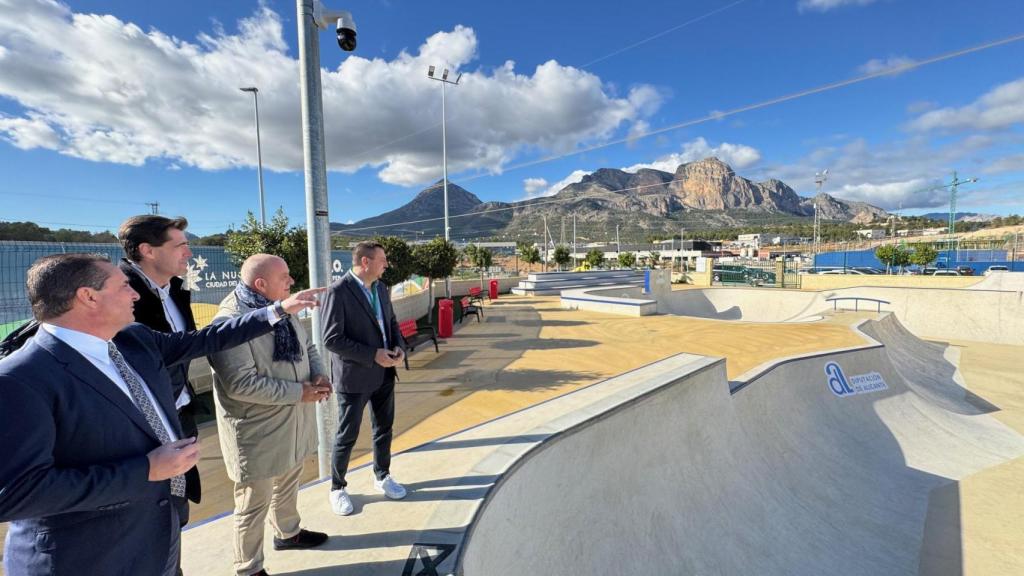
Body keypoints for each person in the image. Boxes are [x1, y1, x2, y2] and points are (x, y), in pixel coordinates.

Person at [0, 254, 321, 576]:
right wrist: (146, 470)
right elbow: (15, 494)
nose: (136, 294)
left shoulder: (134, 340)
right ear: (88, 296)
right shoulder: (20, 379)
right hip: (86, 556)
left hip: (156, 537)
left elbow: (208, 338)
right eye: (124, 286)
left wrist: (279, 309)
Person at [208, 254, 332, 576]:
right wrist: (299, 393)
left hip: (291, 422)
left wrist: (318, 375)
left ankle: (288, 534)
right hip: (257, 432)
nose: (291, 282)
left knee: (289, 482)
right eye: (285, 277)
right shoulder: (227, 322)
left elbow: (309, 348)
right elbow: (240, 383)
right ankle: (248, 567)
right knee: (253, 502)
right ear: (260, 285)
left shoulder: (281, 307)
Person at [117, 215, 203, 535]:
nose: (188, 253)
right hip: (140, 432)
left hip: (179, 417)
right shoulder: (118, 293)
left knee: (176, 515)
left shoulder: (176, 291)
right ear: (148, 251)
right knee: (149, 524)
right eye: (180, 245)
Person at [321, 241, 407, 516]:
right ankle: (337, 488)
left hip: (384, 373)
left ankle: (382, 476)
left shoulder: (380, 288)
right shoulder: (338, 292)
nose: (386, 264)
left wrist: (399, 347)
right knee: (347, 434)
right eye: (382, 260)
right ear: (366, 262)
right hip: (354, 377)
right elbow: (331, 339)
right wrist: (373, 355)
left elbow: (391, 323)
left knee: (384, 428)